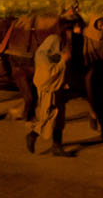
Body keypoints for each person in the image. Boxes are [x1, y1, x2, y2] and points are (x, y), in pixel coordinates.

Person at [25, 28, 70, 157]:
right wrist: (63, 62)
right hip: (49, 92)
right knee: (49, 117)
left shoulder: (53, 57)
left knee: (60, 118)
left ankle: (57, 146)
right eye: (58, 46)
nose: (60, 48)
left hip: (58, 90)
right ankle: (32, 135)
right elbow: (48, 76)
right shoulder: (42, 59)